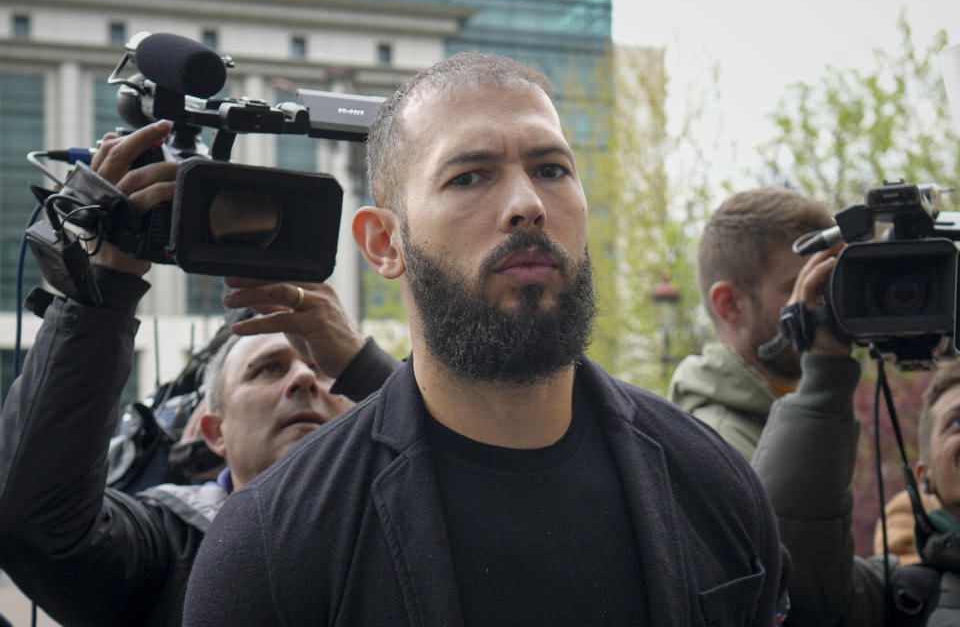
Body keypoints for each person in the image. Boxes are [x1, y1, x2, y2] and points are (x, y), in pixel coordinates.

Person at [183, 52, 786, 626]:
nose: (528, 205)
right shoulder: (271, 545)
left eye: (551, 170)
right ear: (384, 243)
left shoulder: (714, 482)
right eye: (470, 176)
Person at [0, 121, 401, 626]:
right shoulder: (166, 547)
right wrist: (102, 286)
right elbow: (36, 527)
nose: (303, 380)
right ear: (215, 432)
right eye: (267, 369)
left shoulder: (416, 520)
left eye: (324, 369)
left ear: (362, 411)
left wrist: (361, 364)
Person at [752, 246, 960, 625]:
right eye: (957, 423)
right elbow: (798, 582)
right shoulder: (896, 600)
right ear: (923, 477)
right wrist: (825, 371)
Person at [669, 188, 834, 459]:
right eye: (800, 286)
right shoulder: (719, 447)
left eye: (826, 283)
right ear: (730, 305)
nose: (822, 303)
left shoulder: (788, 412)